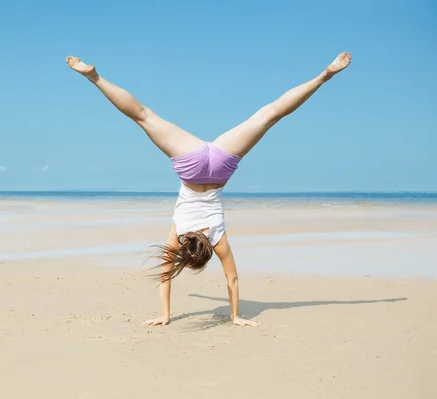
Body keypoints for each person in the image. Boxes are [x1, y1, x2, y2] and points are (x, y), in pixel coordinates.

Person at [66, 52, 351, 327]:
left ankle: (324, 76)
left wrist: (234, 315)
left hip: (221, 167)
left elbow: (232, 280)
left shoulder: (217, 239)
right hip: (189, 163)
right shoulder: (178, 235)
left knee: (270, 115)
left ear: (206, 253)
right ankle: (95, 78)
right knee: (143, 116)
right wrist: (165, 314)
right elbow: (165, 277)